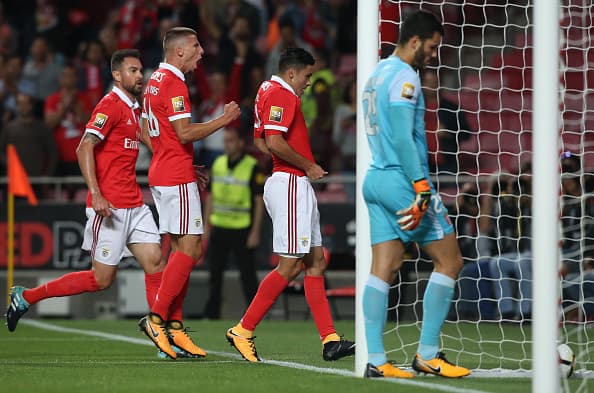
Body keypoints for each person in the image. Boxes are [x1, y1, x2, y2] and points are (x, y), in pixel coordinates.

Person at [5, 49, 164, 336]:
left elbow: (150, 142)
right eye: (133, 71)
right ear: (116, 75)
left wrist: (181, 164)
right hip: (110, 206)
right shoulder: (110, 105)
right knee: (102, 280)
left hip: (135, 205)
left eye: (141, 71)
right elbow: (84, 147)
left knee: (155, 262)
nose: (139, 76)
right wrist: (97, 193)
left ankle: (161, 332)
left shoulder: (133, 107)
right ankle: (27, 296)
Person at [225, 47, 355, 363]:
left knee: (315, 263)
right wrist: (306, 165)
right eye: (308, 76)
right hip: (291, 185)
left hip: (291, 183)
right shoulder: (283, 94)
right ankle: (243, 329)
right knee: (291, 265)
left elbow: (259, 140)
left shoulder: (264, 92)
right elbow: (273, 142)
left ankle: (330, 340)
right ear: (292, 72)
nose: (309, 83)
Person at [361, 11, 470, 379]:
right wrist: (421, 188)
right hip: (402, 181)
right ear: (414, 41)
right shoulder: (406, 77)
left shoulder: (376, 73)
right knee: (450, 260)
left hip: (375, 177)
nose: (434, 55)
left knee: (384, 268)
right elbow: (405, 138)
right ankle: (427, 353)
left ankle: (376, 358)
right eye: (433, 47)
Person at [138, 27, 241, 360]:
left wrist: (169, 155)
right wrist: (223, 119)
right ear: (179, 51)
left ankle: (175, 330)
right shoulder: (174, 83)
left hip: (163, 172)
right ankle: (157, 320)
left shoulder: (152, 81)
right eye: (196, 46)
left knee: (181, 250)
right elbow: (184, 132)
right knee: (192, 248)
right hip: (175, 177)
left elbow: (145, 128)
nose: (202, 52)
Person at [202, 127, 264, 319]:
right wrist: (206, 225)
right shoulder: (218, 163)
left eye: (231, 141)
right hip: (219, 226)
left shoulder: (252, 166)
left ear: (240, 143)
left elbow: (258, 201)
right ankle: (212, 313)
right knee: (215, 274)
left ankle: (255, 314)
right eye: (225, 141)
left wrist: (255, 231)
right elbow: (210, 196)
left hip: (242, 227)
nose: (227, 145)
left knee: (247, 274)